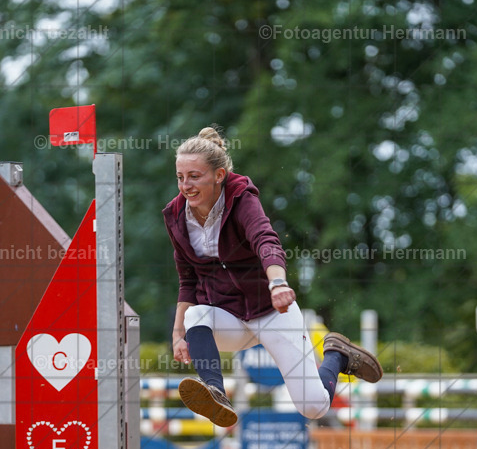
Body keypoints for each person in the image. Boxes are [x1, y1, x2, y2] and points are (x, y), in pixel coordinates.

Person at [163, 126, 382, 428]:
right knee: (197, 315)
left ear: (219, 175)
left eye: (194, 176)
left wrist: (277, 283)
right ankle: (216, 391)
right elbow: (187, 278)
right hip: (230, 318)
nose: (186, 185)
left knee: (314, 408)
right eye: (180, 177)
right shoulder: (175, 216)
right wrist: (177, 334)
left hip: (272, 311)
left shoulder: (241, 197)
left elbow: (265, 240)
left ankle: (337, 355)